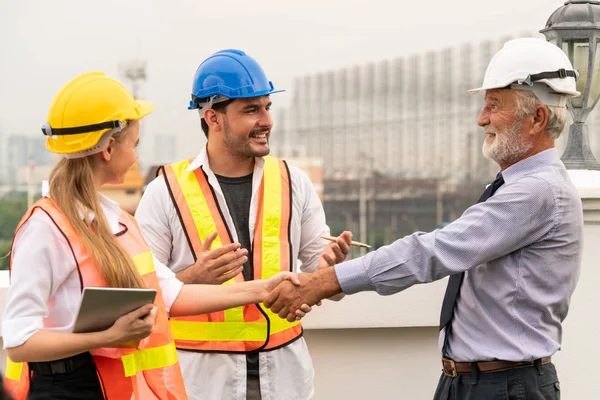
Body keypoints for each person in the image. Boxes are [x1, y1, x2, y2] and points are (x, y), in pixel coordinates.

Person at [264, 37, 583, 400]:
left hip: (504, 387)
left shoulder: (537, 191)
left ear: (537, 118)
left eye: (494, 105)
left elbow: (432, 251)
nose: (482, 119)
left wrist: (323, 281)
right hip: (478, 381)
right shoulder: (522, 187)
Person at [1, 71, 311, 400]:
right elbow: (19, 342)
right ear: (108, 148)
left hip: (107, 387)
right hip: (66, 389)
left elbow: (171, 295)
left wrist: (264, 289)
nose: (136, 156)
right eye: (133, 145)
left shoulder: (115, 222)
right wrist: (109, 334)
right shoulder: (46, 228)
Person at [135, 49, 350, 400]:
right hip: (202, 383)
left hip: (285, 379)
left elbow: (324, 282)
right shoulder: (164, 192)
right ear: (213, 118)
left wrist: (330, 273)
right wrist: (191, 278)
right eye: (251, 110)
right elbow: (141, 295)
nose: (266, 120)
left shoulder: (295, 183)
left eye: (267, 107)